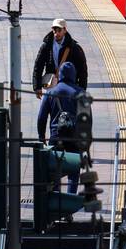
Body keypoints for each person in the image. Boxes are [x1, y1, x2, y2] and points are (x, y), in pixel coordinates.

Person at [37, 61, 84, 194]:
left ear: (61, 75)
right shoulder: (81, 93)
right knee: (73, 172)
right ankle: (69, 207)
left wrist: (41, 137)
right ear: (74, 75)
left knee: (54, 171)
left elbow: (41, 117)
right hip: (75, 139)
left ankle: (56, 203)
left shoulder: (50, 93)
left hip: (55, 137)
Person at [32, 18, 89, 98]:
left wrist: (82, 90)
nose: (56, 33)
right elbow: (38, 66)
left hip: (69, 86)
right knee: (49, 107)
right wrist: (37, 87)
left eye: (59, 30)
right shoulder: (47, 45)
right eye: (55, 30)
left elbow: (82, 71)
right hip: (52, 85)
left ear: (65, 30)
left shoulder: (74, 47)